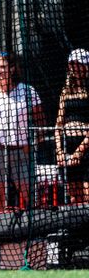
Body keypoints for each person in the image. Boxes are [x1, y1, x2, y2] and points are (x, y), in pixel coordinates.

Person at [0, 52, 44, 214]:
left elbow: (40, 122)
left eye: (2, 67)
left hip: (21, 151)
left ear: (12, 68)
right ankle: (1, 237)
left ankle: (35, 234)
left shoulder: (28, 91)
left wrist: (32, 144)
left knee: (31, 196)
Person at [55, 48, 89, 204]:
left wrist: (80, 151)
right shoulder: (65, 91)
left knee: (87, 193)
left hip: (86, 146)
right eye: (72, 64)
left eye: (78, 64)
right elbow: (58, 124)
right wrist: (59, 151)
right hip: (68, 144)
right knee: (74, 196)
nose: (74, 68)